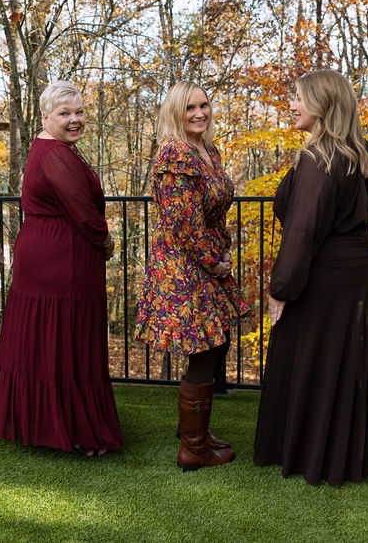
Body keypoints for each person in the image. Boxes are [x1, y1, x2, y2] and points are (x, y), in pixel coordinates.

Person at [253, 68, 368, 487]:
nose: (291, 105)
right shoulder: (360, 150)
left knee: (309, 354)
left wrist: (281, 290)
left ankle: (312, 454)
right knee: (344, 358)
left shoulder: (320, 158)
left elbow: (303, 230)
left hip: (325, 270)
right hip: (359, 265)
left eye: (298, 98)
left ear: (322, 105)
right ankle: (343, 454)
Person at [0, 81, 124, 455]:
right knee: (66, 339)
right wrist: (106, 243)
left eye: (79, 112)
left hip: (47, 254)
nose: (74, 120)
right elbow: (85, 213)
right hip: (61, 261)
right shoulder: (57, 155)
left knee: (47, 339)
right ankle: (75, 430)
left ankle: (46, 421)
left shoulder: (51, 148)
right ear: (46, 116)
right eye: (65, 114)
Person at [134, 80, 250, 471]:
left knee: (217, 344)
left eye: (204, 105)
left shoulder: (208, 150)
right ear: (175, 113)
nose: (199, 113)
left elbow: (211, 209)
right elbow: (183, 223)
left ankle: (197, 433)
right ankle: (192, 448)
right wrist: (213, 261)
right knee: (204, 348)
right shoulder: (175, 154)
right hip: (185, 265)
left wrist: (224, 245)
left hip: (207, 260)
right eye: (190, 108)